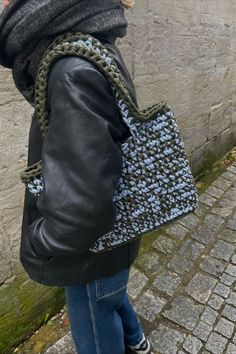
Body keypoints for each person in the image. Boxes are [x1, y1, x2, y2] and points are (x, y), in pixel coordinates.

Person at [0, 1, 153, 353]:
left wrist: (41, 240)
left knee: (97, 324)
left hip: (90, 253)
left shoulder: (71, 68)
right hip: (113, 240)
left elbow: (84, 211)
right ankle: (137, 341)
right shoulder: (91, 45)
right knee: (110, 299)